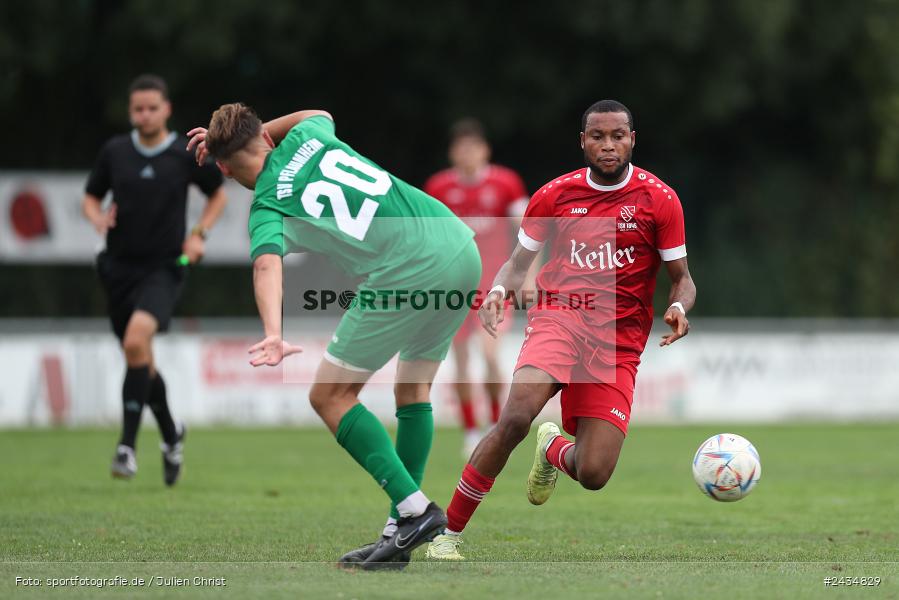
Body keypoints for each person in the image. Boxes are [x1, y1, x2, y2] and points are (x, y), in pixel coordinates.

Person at [186, 103, 481, 569]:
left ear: (222, 167)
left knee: (329, 396)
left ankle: (415, 511)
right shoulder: (308, 136)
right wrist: (255, 130)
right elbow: (315, 111)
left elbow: (266, 265)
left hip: (407, 269)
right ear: (264, 137)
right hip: (458, 246)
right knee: (413, 389)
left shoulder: (266, 204)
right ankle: (398, 530)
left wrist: (273, 331)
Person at [426, 99, 697, 560]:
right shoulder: (554, 196)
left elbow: (682, 278)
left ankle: (552, 449)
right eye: (598, 136)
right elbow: (518, 263)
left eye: (617, 136)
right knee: (514, 417)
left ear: (632, 139)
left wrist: (678, 308)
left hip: (618, 343)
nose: (608, 145)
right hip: (560, 318)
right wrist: (498, 292)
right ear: (583, 142)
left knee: (593, 473)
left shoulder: (660, 199)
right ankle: (446, 535)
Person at [82, 74, 226, 486]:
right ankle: (171, 433)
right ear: (131, 112)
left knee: (134, 342)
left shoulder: (183, 154)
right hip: (118, 268)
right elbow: (91, 196)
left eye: (152, 108)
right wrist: (97, 217)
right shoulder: (115, 152)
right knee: (139, 357)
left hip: (165, 266)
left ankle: (126, 447)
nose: (144, 115)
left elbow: (217, 193)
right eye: (137, 109)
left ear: (166, 110)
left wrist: (198, 235)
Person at [424, 119, 529, 457]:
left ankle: (496, 425)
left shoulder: (506, 183)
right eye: (461, 148)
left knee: (489, 354)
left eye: (473, 147)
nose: (467, 154)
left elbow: (528, 231)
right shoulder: (438, 187)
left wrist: (529, 273)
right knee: (461, 360)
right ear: (453, 152)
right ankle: (470, 429)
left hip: (493, 284)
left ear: (485, 150)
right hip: (453, 285)